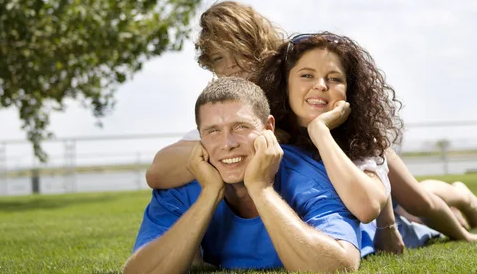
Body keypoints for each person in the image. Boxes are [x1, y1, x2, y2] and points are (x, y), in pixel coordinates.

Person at [146, 1, 477, 252]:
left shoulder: (288, 67)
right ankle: (451, 199)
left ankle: (460, 203)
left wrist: (387, 227)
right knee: (400, 204)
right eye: (218, 64)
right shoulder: (234, 99)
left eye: (233, 56)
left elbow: (370, 178)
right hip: (323, 160)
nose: (229, 70)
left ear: (252, 42)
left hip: (347, 139)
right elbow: (185, 154)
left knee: (413, 199)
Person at [124, 77, 364, 273]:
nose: (227, 144)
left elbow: (338, 268)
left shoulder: (310, 178)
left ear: (268, 128)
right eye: (212, 131)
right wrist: (210, 193)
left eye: (241, 127)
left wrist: (261, 188)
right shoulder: (182, 186)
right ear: (199, 136)